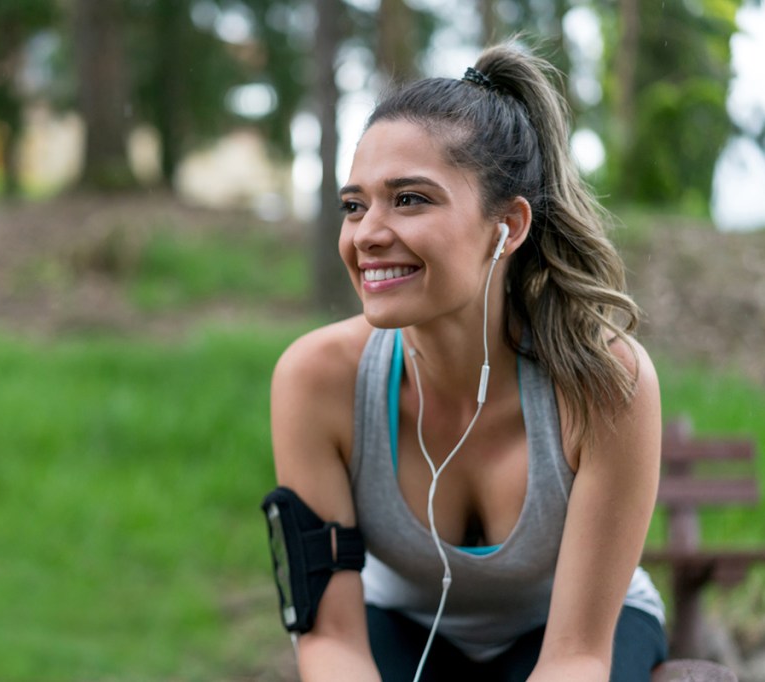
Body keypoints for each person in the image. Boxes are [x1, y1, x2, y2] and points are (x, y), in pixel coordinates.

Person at [264, 42, 668, 682]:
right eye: (354, 204)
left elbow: (578, 657)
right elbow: (331, 641)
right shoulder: (316, 379)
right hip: (399, 631)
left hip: (571, 640)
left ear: (507, 226)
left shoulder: (604, 381)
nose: (367, 232)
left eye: (411, 199)